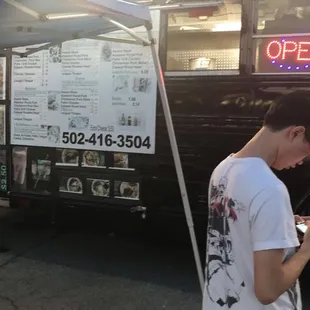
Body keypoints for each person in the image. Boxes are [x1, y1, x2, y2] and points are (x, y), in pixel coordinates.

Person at [203, 90, 310, 310]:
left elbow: (236, 228)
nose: (303, 161)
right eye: (307, 152)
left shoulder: (224, 169)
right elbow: (267, 291)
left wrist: (284, 224)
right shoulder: (271, 189)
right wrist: (307, 251)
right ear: (296, 133)